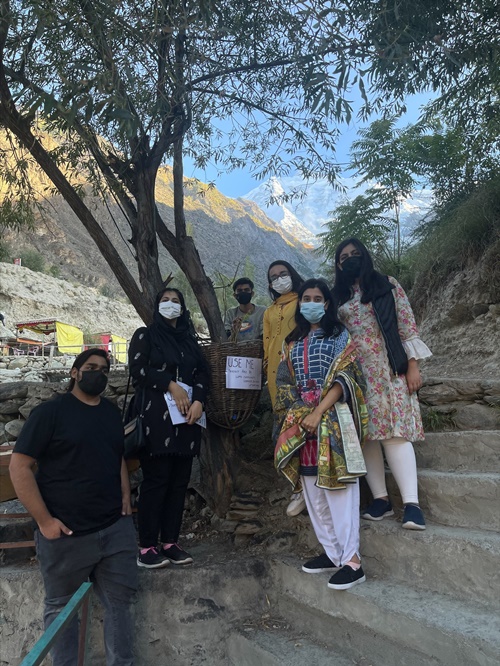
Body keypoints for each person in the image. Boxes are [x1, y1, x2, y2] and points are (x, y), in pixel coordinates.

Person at [10, 348, 137, 666]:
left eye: (104, 369)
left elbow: (116, 455)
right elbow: (19, 467)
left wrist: (125, 495)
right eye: (91, 367)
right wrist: (44, 522)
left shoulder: (110, 412)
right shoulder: (50, 413)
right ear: (74, 372)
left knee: (120, 605)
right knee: (62, 610)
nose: (98, 373)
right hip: (65, 535)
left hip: (114, 529)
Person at [274, 279, 368, 590]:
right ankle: (332, 553)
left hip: (334, 421)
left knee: (339, 490)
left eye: (318, 297)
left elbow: (348, 377)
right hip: (304, 423)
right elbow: (284, 383)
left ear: (326, 304)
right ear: (300, 303)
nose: (311, 302)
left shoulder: (339, 336)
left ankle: (352, 561)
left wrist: (318, 410)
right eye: (306, 298)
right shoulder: (292, 342)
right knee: (314, 491)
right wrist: (300, 413)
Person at [333, 238, 432, 530]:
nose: (350, 259)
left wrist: (412, 365)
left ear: (364, 255)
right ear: (338, 265)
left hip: (389, 370)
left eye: (355, 254)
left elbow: (406, 324)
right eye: (344, 257)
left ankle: (412, 504)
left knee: (394, 434)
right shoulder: (338, 297)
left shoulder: (387, 285)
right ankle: (381, 499)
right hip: (356, 376)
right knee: (366, 436)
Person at [128, 287, 209, 569]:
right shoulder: (145, 335)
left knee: (178, 483)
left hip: (187, 420)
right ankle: (147, 546)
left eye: (176, 301)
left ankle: (171, 542)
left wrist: (199, 399)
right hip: (155, 419)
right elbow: (137, 370)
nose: (170, 305)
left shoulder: (189, 340)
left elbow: (202, 372)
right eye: (165, 300)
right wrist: (170, 384)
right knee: (156, 481)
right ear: (156, 306)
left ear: (183, 308)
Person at [263, 260, 306, 517]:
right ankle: (297, 485)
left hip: (299, 368)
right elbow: (266, 343)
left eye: (283, 274)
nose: (279, 279)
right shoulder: (269, 311)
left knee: (302, 420)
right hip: (274, 376)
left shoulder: (304, 300)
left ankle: (310, 484)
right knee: (285, 424)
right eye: (274, 277)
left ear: (292, 274)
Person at [224, 277, 266, 342]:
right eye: (239, 291)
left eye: (246, 290)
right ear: (235, 295)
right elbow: (227, 340)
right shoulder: (230, 314)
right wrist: (234, 331)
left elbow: (264, 337)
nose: (243, 293)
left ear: (252, 294)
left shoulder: (262, 311)